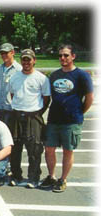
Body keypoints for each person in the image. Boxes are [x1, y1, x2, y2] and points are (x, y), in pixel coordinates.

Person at [40, 44, 94, 192]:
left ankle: (62, 179)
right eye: (60, 56)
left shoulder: (82, 75)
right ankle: (51, 176)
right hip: (54, 119)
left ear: (73, 56)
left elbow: (89, 98)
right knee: (49, 148)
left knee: (67, 150)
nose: (62, 58)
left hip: (72, 121)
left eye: (66, 55)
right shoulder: (55, 75)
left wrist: (80, 111)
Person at [7, 49, 51, 188]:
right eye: (24, 59)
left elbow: (46, 99)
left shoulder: (41, 78)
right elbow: (13, 95)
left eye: (29, 59)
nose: (26, 62)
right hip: (16, 115)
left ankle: (33, 177)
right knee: (15, 147)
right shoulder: (14, 77)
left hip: (33, 116)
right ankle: (16, 175)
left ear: (34, 60)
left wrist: (36, 113)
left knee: (34, 148)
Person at [0, 43, 22, 125]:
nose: (3, 55)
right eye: (2, 53)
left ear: (12, 52)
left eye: (6, 53)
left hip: (11, 109)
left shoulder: (19, 69)